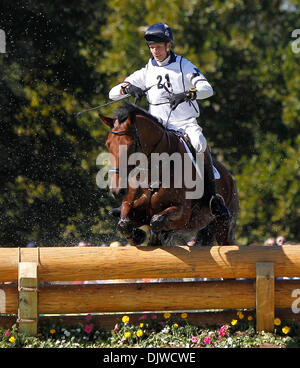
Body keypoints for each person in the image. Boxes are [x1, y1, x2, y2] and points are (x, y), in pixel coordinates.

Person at [109, 23, 230, 221]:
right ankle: (131, 201)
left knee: (200, 143)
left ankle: (213, 198)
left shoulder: (183, 65)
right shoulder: (146, 71)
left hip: (184, 125)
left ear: (168, 45)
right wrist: (128, 89)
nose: (155, 51)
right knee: (132, 146)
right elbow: (112, 93)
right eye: (151, 47)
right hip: (158, 127)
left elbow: (208, 89)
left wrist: (188, 94)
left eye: (158, 47)